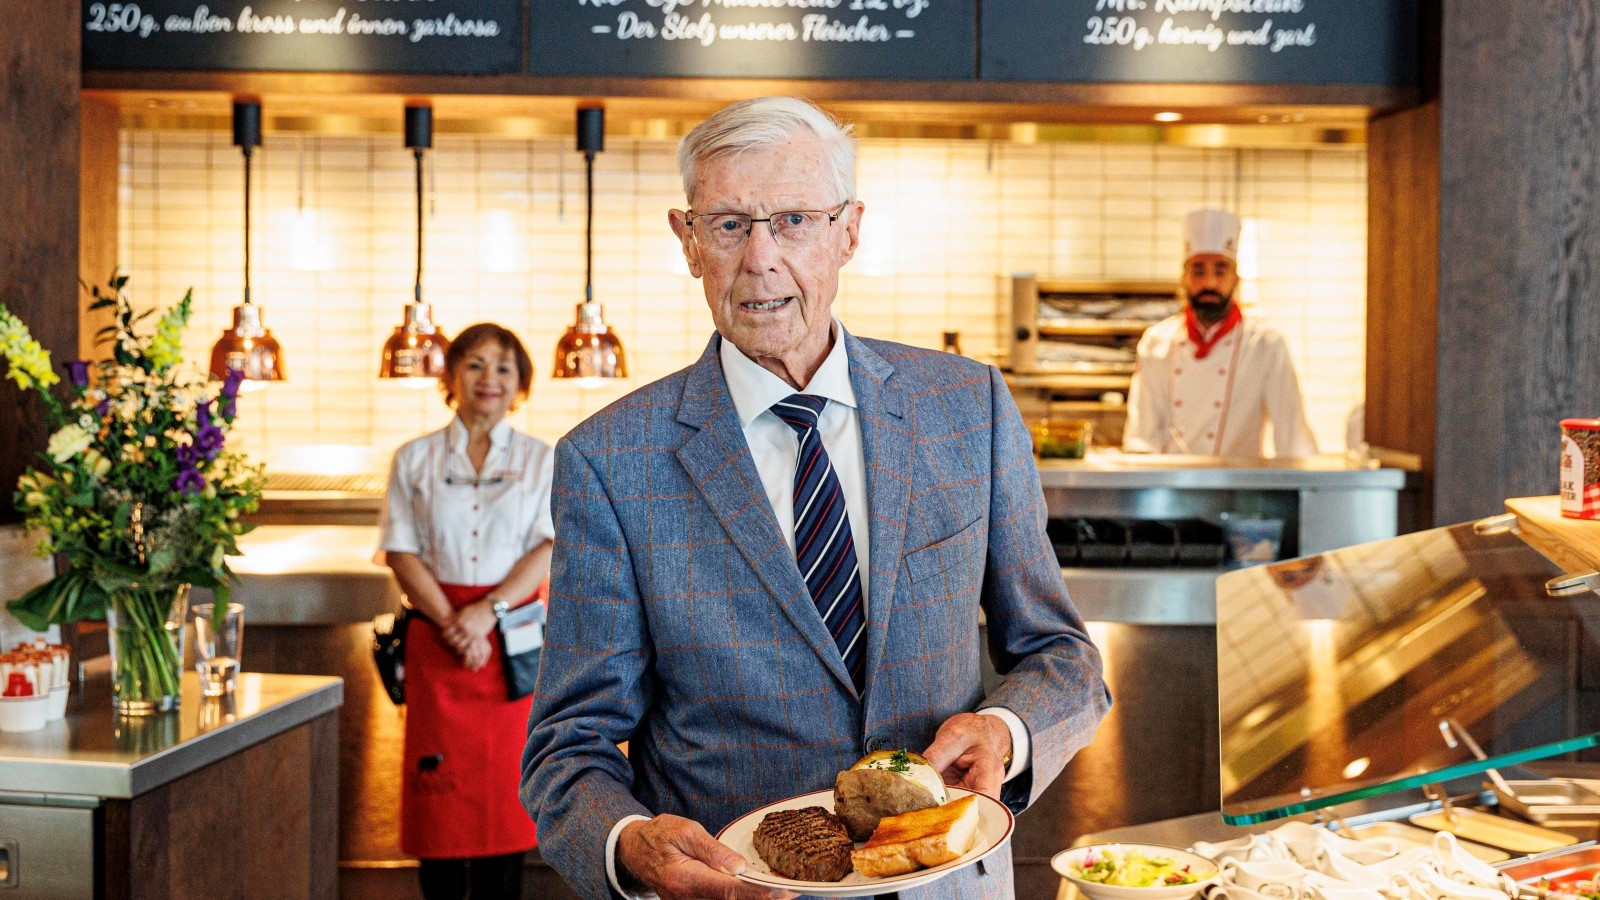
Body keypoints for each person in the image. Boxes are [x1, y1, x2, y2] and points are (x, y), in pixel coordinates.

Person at [521, 97, 1111, 900]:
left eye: (795, 220)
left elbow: (1064, 658)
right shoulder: (610, 461)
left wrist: (1006, 731)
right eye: (729, 224)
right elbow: (568, 746)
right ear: (688, 241)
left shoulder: (967, 406)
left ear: (850, 231)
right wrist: (631, 845)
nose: (761, 258)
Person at [378, 323, 555, 900]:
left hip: (509, 648)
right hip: (437, 643)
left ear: (520, 384)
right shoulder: (414, 458)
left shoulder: (541, 459)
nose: (490, 379)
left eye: (504, 368)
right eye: (476, 365)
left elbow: (548, 547)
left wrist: (486, 614)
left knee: (507, 803)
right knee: (441, 807)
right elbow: (400, 549)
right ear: (451, 376)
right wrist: (455, 623)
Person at [1123, 208, 1319, 458]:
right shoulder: (1156, 343)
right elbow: (1142, 439)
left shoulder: (1266, 345)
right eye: (1198, 270)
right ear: (1183, 278)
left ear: (1236, 279)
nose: (1210, 284)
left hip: (1240, 490)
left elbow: (1294, 441)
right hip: (1169, 489)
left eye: (1220, 270)